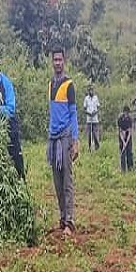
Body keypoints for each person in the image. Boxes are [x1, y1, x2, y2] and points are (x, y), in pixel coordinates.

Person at [47, 47, 80, 234]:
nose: (57, 63)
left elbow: (73, 113)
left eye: (60, 60)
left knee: (67, 180)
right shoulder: (50, 84)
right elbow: (52, 112)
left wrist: (75, 141)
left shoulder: (69, 85)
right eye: (55, 60)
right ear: (52, 62)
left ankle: (69, 221)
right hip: (53, 138)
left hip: (66, 137)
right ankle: (61, 217)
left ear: (64, 61)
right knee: (57, 181)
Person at [0, 55, 25, 179]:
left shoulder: (5, 83)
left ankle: (21, 182)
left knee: (15, 158)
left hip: (9, 127)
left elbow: (11, 109)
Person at [83, 86, 101, 151]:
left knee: (95, 134)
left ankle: (97, 147)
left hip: (95, 119)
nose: (91, 91)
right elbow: (84, 109)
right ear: (88, 91)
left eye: (92, 90)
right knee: (89, 135)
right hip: (89, 119)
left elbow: (98, 108)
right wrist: (88, 113)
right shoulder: (86, 99)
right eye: (90, 90)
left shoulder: (96, 98)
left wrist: (95, 113)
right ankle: (90, 147)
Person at [118, 105, 134, 173]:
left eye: (127, 113)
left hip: (128, 136)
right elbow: (120, 131)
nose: (126, 114)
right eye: (125, 113)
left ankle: (130, 168)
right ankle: (123, 169)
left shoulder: (130, 119)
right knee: (122, 152)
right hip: (121, 136)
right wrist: (123, 142)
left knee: (129, 152)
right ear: (123, 112)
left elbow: (130, 132)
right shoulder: (120, 119)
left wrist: (126, 142)